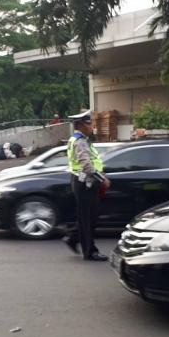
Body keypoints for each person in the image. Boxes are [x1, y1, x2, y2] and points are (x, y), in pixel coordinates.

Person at [62, 111, 110, 262]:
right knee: (88, 219)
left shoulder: (82, 139)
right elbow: (86, 165)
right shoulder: (80, 141)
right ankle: (90, 252)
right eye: (89, 123)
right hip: (84, 183)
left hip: (86, 183)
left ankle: (73, 238)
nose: (92, 126)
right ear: (81, 125)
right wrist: (102, 179)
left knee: (90, 217)